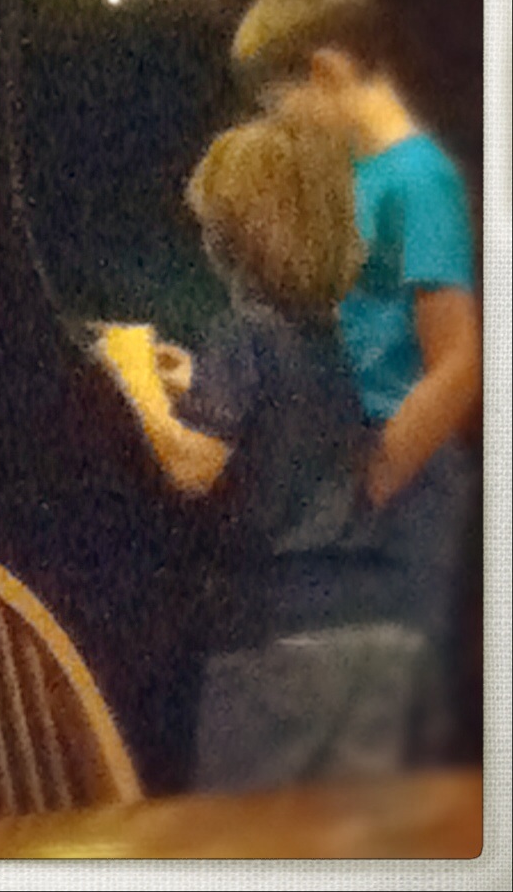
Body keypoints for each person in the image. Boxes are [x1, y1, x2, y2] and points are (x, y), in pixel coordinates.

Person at [99, 115, 429, 791]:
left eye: (215, 229)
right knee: (355, 835)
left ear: (241, 237)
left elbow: (193, 466)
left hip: (276, 637)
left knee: (248, 836)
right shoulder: (341, 340)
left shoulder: (245, 333)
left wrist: (133, 376)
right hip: (377, 630)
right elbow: (291, 418)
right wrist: (195, 382)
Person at [231, 0, 481, 763]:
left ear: (328, 72)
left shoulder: (418, 179)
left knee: (388, 711)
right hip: (346, 465)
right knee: (333, 709)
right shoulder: (352, 177)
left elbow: (459, 361)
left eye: (281, 107)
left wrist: (374, 480)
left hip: (403, 485)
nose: (281, 129)